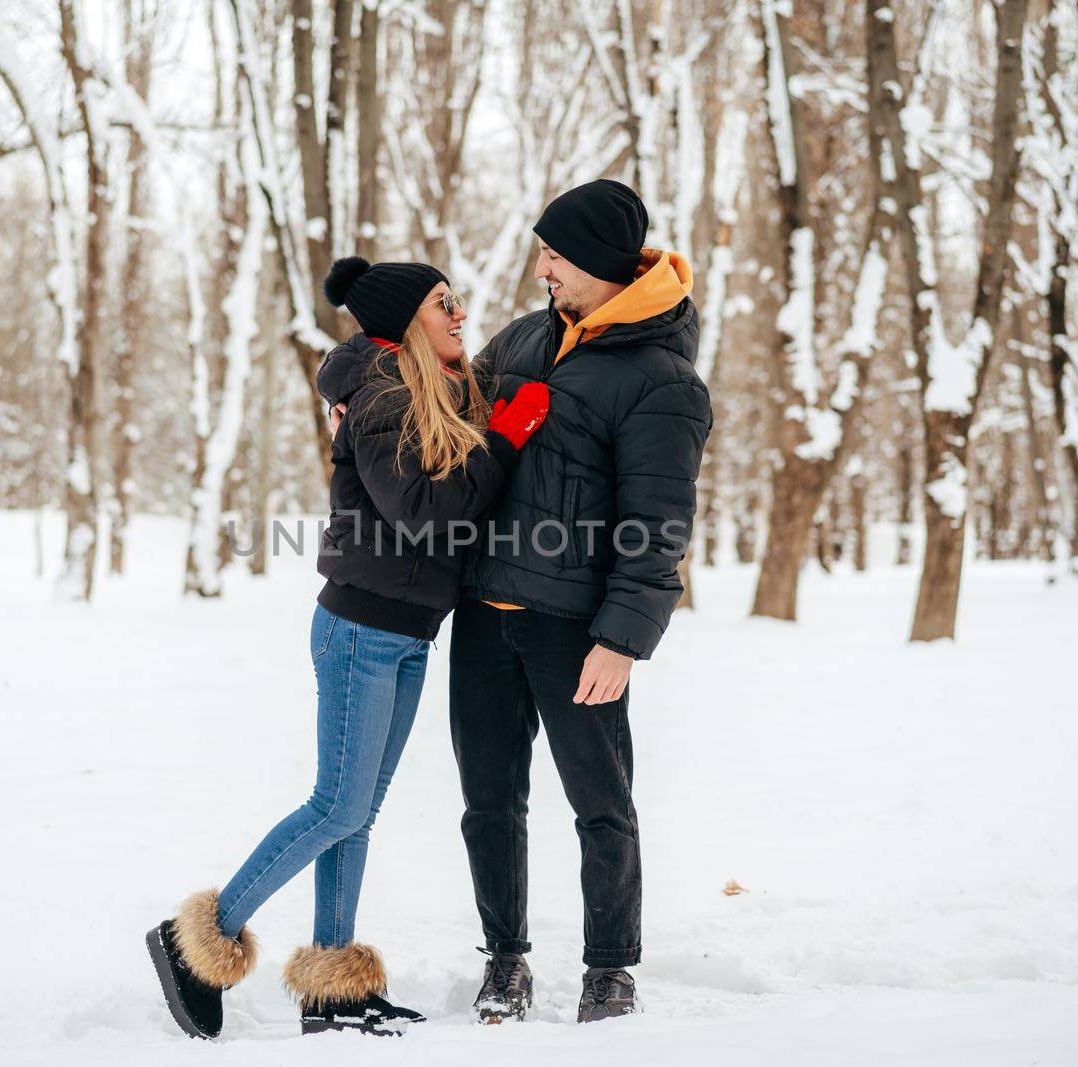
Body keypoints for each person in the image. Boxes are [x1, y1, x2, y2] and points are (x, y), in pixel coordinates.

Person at [146, 256, 551, 1039]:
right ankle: (194, 942)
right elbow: (424, 511)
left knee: (356, 813)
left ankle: (333, 987)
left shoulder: (432, 388)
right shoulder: (376, 397)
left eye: (459, 301)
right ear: (406, 320)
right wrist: (501, 441)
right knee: (336, 805)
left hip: (408, 632)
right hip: (360, 628)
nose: (461, 314)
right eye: (445, 304)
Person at [450, 179, 712, 1023]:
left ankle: (610, 969)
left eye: (554, 254)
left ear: (598, 262)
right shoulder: (526, 339)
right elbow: (451, 421)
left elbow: (658, 525)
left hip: (577, 630)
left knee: (600, 801)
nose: (541, 269)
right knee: (489, 800)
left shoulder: (659, 378)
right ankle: (506, 958)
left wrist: (624, 641)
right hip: (486, 613)